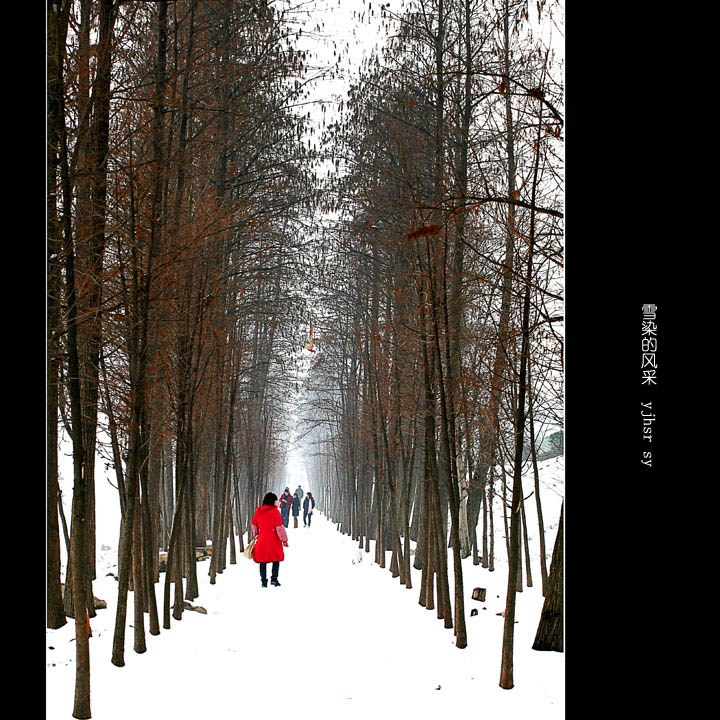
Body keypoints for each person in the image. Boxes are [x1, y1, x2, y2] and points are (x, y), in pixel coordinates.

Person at [251, 492, 289, 587]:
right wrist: (284, 540)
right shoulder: (275, 512)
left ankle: (264, 581)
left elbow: (254, 525)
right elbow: (279, 527)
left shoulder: (258, 511)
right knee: (276, 559)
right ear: (272, 501)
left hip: (262, 539)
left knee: (262, 560)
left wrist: (255, 534)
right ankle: (274, 579)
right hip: (274, 539)